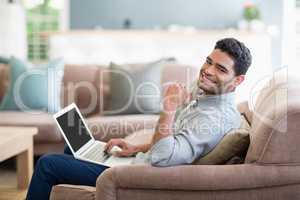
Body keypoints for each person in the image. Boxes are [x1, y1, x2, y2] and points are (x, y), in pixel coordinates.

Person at [26, 38, 252, 200]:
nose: (208, 71)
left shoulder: (213, 118)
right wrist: (135, 147)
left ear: (238, 80)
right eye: (208, 61)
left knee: (48, 164)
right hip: (137, 160)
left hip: (139, 174)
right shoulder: (209, 98)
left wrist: (169, 106)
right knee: (73, 147)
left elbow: (163, 157)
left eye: (221, 69)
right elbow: (177, 141)